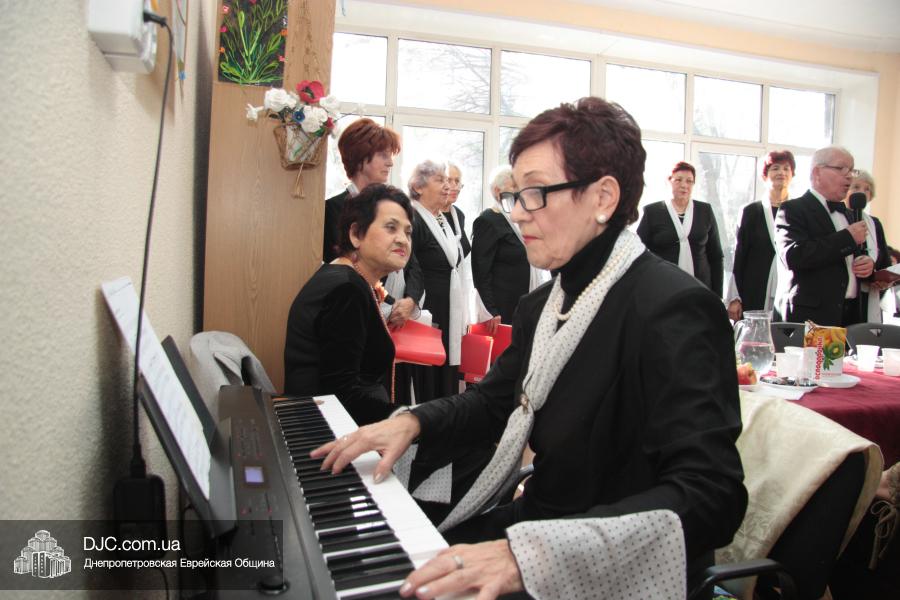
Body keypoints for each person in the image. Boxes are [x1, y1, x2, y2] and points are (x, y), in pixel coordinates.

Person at [314, 97, 747, 599]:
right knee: (389, 574)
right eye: (515, 196)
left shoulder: (674, 307)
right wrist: (411, 423)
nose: (518, 213)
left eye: (535, 193)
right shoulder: (542, 305)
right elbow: (491, 402)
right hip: (540, 523)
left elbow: (712, 497)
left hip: (605, 563)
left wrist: (532, 557)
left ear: (603, 197)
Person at [285, 184, 414, 424]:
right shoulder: (347, 289)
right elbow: (342, 397)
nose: (403, 240)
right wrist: (412, 419)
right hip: (331, 431)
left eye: (408, 232)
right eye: (391, 227)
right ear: (356, 234)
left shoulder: (348, 279)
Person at [774, 146, 874, 326]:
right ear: (817, 172)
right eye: (841, 168)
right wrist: (847, 238)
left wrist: (866, 265)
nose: (849, 176)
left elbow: (849, 260)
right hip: (811, 318)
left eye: (852, 170)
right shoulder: (792, 209)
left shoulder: (850, 214)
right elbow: (794, 255)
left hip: (850, 315)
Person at [408, 160, 469, 400]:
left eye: (449, 181)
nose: (447, 186)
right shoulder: (413, 218)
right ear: (418, 187)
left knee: (446, 376)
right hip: (427, 311)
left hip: (448, 309)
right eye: (440, 180)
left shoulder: (442, 219)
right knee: (428, 376)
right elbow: (409, 268)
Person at [472, 166, 549, 323]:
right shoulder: (488, 220)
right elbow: (481, 271)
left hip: (524, 299)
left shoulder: (520, 218)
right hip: (502, 306)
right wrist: (490, 311)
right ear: (497, 191)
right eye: (513, 186)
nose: (518, 192)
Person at [637, 161, 724, 297]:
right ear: (669, 182)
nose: (684, 185)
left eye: (689, 181)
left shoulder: (705, 211)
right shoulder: (652, 212)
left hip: (701, 288)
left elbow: (716, 256)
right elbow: (639, 254)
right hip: (663, 288)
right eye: (678, 180)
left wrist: (718, 296)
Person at [727, 150, 796, 321]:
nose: (781, 172)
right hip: (754, 287)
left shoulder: (800, 211)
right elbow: (740, 255)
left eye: (786, 168)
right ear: (765, 176)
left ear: (792, 175)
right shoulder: (750, 211)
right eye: (775, 168)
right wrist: (734, 297)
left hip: (790, 291)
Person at [842, 170, 892, 323]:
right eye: (856, 187)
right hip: (842, 299)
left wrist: (881, 278)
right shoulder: (836, 218)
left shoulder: (874, 224)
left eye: (867, 189)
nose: (862, 192)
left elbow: (884, 260)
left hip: (867, 296)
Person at [444, 161, 471, 258]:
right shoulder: (430, 216)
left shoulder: (459, 215)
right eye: (448, 180)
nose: (455, 187)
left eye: (457, 181)